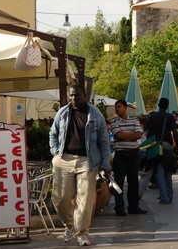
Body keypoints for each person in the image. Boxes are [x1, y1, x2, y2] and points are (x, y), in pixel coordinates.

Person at [49, 84, 111, 246]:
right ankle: (70, 225)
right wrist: (55, 152)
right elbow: (53, 133)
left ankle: (82, 232)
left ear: (85, 95)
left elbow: (104, 142)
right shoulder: (62, 113)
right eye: (71, 95)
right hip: (64, 158)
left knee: (85, 199)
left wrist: (105, 164)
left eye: (77, 95)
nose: (73, 98)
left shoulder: (95, 115)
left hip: (87, 161)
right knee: (60, 198)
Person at [109, 100, 147, 216]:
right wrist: (131, 134)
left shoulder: (134, 120)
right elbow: (117, 135)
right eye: (116, 107)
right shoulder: (114, 122)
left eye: (119, 107)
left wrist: (124, 135)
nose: (117, 109)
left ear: (125, 108)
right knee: (118, 182)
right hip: (120, 154)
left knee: (133, 182)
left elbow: (139, 135)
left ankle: (133, 206)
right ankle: (119, 207)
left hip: (133, 154)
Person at [145, 98, 178, 204]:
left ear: (158, 105)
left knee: (159, 171)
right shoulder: (170, 117)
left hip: (156, 146)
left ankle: (164, 196)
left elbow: (148, 134)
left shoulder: (152, 117)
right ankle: (169, 195)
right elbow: (175, 132)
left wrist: (149, 148)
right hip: (168, 146)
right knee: (168, 171)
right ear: (167, 106)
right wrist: (176, 146)